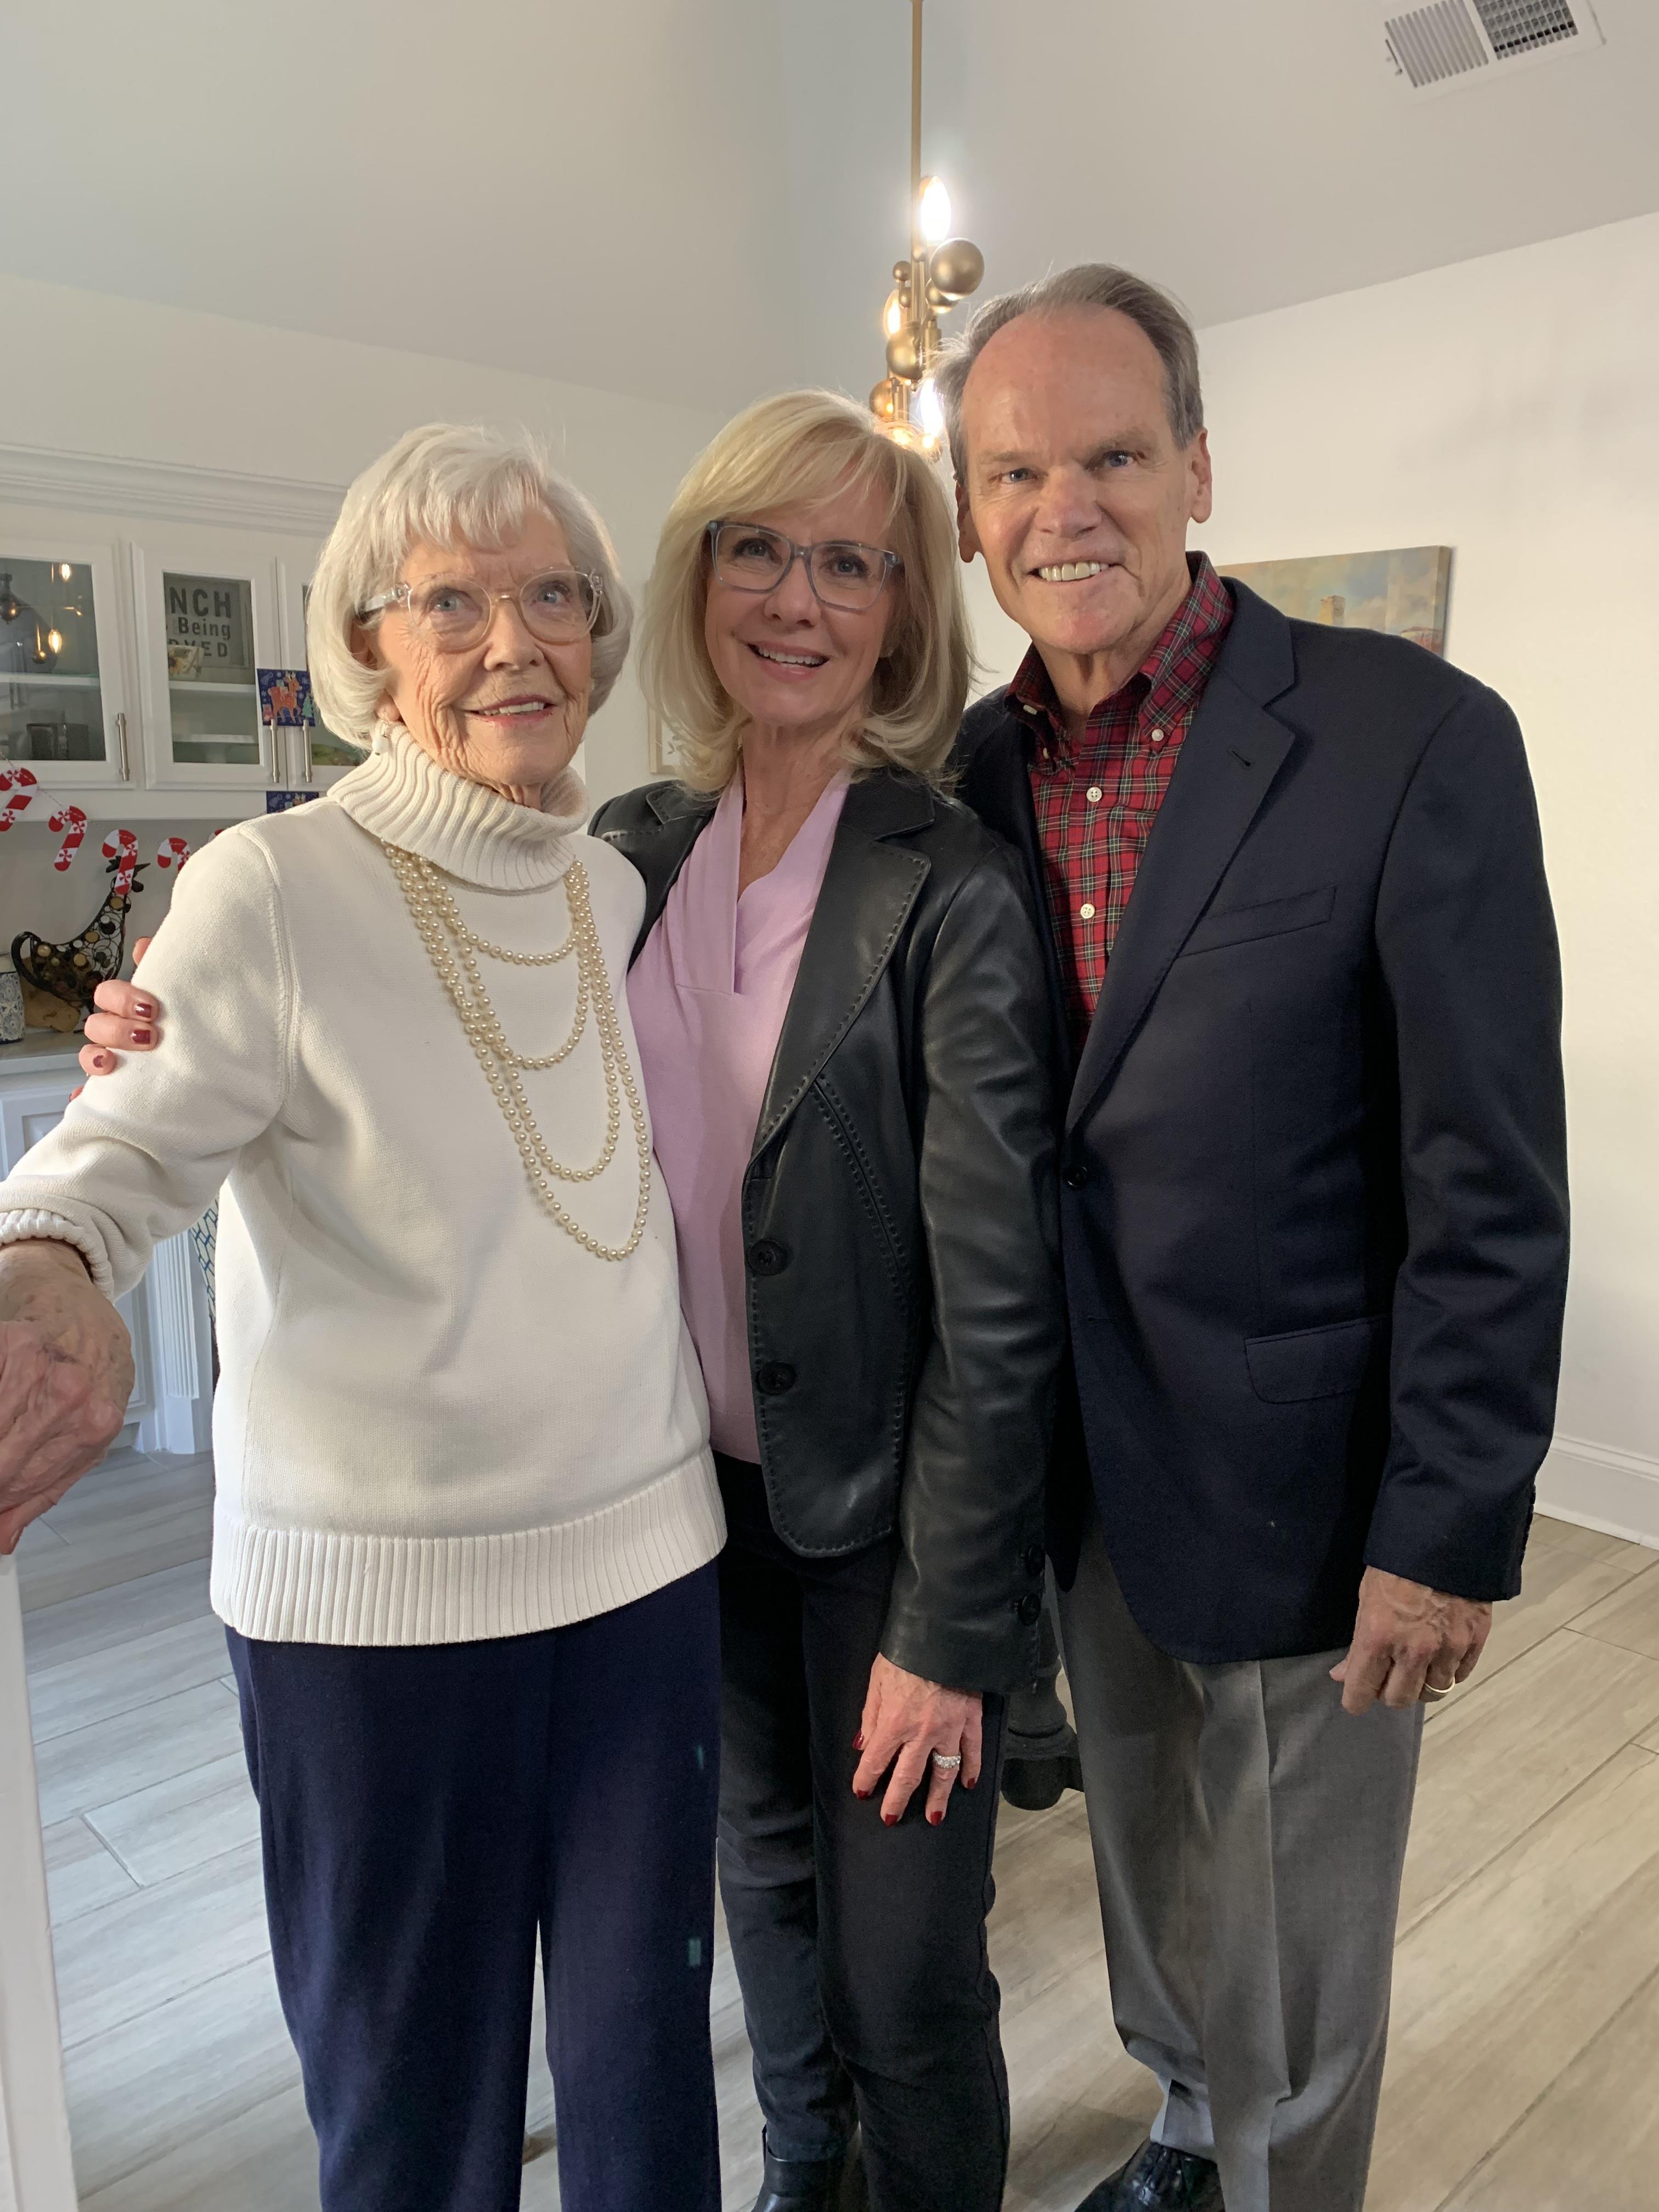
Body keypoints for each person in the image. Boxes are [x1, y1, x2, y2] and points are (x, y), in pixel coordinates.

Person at [81, 389, 1066, 2212]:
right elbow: (177, 1124)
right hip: (636, 1541)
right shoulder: (626, 849)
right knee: (709, 1952)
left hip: (827, 1538)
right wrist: (113, 1106)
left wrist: (957, 1621)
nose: (796, 597)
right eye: (760, 551)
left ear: (902, 612)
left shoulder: (901, 883)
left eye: (850, 563)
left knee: (873, 1983)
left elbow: (1001, 1298)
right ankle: (806, 2177)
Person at [0, 422, 728, 2212]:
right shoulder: (273, 887)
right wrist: (51, 1266)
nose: (514, 642)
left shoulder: (613, 884)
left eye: (553, 595)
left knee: (646, 2076)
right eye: (453, 600)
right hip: (379, 1617)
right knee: (413, 2105)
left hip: (644, 1569)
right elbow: (115, 1156)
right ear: (369, 650)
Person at [932, 266, 1570, 2212]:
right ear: (971, 516)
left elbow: (1492, 1173)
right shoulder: (966, 773)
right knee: (1149, 1868)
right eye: (1016, 472)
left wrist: (1443, 1522)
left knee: (1298, 1939)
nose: (1069, 510)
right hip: (1078, 1470)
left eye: (1114, 455)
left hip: (1315, 1482)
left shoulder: (1410, 734)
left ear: (1197, 464)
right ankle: (1191, 2133)